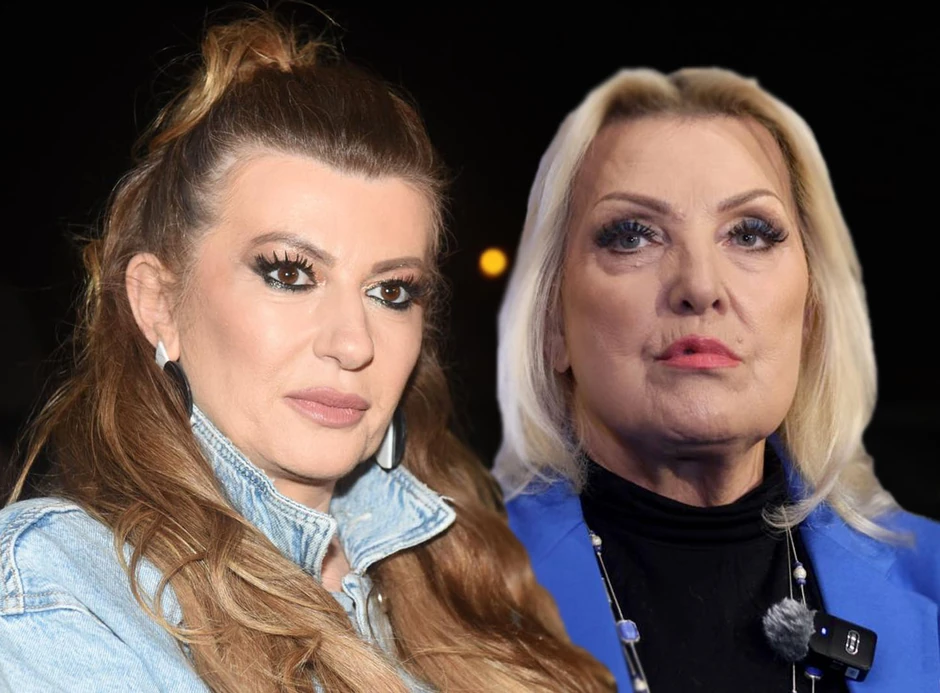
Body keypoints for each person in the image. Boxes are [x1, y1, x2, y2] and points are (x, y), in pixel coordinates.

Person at [0, 12, 614, 693]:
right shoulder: (63, 592)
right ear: (158, 302)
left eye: (391, 291)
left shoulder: (471, 571)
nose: (353, 343)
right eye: (290, 273)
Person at [494, 66, 940, 693]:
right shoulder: (429, 599)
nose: (700, 286)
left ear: (810, 313)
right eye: (633, 236)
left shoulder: (930, 590)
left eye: (750, 234)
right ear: (552, 323)